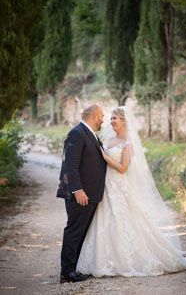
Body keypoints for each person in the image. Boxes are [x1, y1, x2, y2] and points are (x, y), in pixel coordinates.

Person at [76, 106, 186, 277]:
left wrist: (106, 157)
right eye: (111, 119)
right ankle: (103, 260)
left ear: (123, 121)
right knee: (104, 221)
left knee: (126, 221)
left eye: (115, 118)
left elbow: (123, 168)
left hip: (120, 186)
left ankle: (130, 259)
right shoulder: (108, 141)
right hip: (106, 186)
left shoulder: (127, 144)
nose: (111, 122)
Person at [57, 104, 107, 283]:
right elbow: (71, 164)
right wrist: (78, 190)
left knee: (82, 231)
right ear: (94, 116)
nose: (103, 120)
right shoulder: (77, 133)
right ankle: (67, 272)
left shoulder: (89, 134)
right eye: (101, 116)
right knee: (74, 231)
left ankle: (74, 268)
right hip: (80, 193)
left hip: (90, 193)